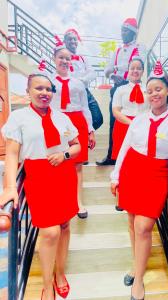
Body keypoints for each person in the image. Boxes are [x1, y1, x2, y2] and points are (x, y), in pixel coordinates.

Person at [110, 61, 168, 300]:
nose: (154, 94)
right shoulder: (138, 120)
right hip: (132, 170)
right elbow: (125, 148)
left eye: (158, 89)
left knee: (144, 226)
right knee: (132, 223)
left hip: (156, 175)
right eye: (150, 91)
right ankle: (136, 265)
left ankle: (138, 280)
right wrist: (115, 175)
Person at [0, 74, 81, 300]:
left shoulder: (63, 118)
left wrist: (63, 154)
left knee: (64, 226)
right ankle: (47, 285)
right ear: (29, 91)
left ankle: (60, 273)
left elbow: (77, 146)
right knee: (50, 231)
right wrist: (9, 187)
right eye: (39, 88)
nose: (44, 93)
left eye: (48, 89)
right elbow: (12, 154)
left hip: (64, 174)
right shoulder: (19, 118)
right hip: (38, 177)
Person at [50, 38, 96, 219]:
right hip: (57, 120)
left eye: (67, 59)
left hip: (77, 122)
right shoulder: (49, 81)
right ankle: (58, 201)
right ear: (55, 59)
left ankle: (78, 203)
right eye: (61, 58)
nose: (64, 61)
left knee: (77, 166)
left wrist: (91, 130)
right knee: (57, 162)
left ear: (72, 61)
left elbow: (85, 107)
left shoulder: (78, 83)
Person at [96, 17, 146, 166]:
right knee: (114, 122)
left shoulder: (139, 47)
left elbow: (137, 64)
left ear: (133, 33)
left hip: (134, 86)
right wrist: (112, 75)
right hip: (119, 87)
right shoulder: (117, 50)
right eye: (122, 30)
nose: (122, 33)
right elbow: (107, 69)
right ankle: (112, 155)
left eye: (125, 31)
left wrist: (118, 68)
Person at [63, 28, 103, 132]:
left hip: (85, 91)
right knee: (74, 118)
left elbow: (93, 73)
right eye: (69, 39)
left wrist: (83, 80)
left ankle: (83, 135)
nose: (72, 41)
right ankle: (77, 139)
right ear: (65, 42)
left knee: (98, 118)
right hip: (71, 93)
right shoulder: (63, 58)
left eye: (74, 39)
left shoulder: (82, 58)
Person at [111, 57, 149, 160]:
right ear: (128, 70)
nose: (135, 71)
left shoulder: (149, 89)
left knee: (141, 157)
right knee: (123, 159)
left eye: (139, 68)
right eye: (132, 68)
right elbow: (115, 111)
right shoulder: (120, 89)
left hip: (144, 125)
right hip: (123, 125)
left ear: (143, 71)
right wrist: (132, 123)